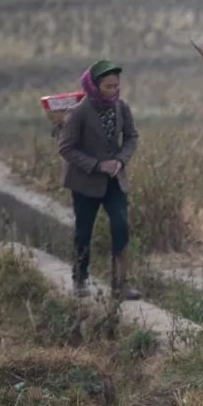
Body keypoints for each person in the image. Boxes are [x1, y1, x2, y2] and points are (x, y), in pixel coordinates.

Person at [58, 59, 141, 301]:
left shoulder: (121, 107)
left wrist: (120, 161)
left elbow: (131, 137)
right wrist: (96, 165)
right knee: (84, 230)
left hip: (114, 181)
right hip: (85, 183)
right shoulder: (79, 113)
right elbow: (66, 148)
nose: (114, 91)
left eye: (116, 86)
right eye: (108, 86)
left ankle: (120, 284)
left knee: (121, 226)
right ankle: (80, 278)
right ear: (94, 86)